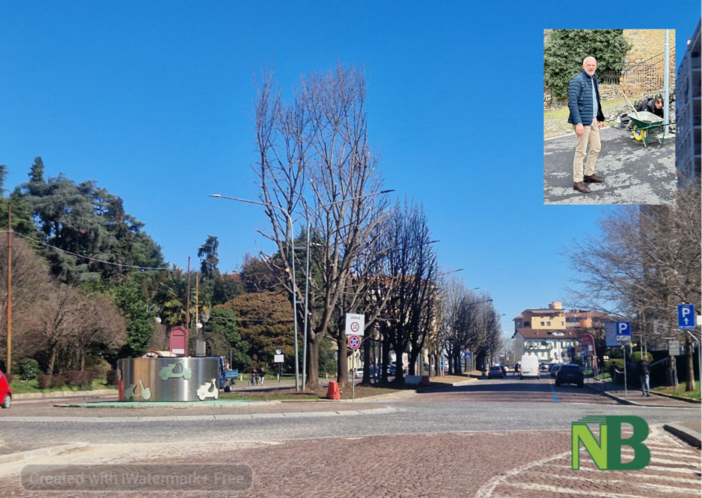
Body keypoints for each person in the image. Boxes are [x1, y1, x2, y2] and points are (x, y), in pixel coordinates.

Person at [568, 57, 606, 194]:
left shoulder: (593, 79)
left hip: (593, 119)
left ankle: (589, 174)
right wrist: (578, 122)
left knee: (596, 147)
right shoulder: (577, 81)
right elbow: (572, 103)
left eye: (593, 65)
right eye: (588, 65)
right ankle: (578, 181)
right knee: (581, 151)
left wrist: (599, 117)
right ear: (583, 66)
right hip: (582, 122)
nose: (591, 67)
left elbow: (596, 100)